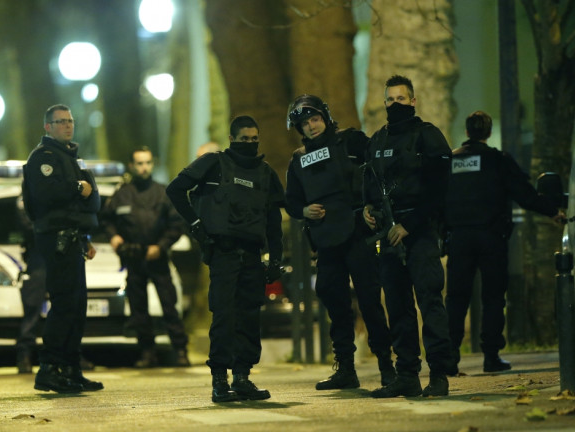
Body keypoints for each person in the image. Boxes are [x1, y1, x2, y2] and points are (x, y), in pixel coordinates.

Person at [166, 116, 284, 403]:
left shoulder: (265, 173)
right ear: (232, 139)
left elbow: (273, 219)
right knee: (224, 315)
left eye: (254, 139)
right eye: (245, 139)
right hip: (224, 252)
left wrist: (275, 259)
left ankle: (242, 378)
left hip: (253, 255)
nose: (250, 144)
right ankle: (220, 380)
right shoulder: (213, 163)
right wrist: (196, 225)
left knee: (248, 316)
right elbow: (176, 189)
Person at [284, 94, 395, 390]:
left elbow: (381, 172)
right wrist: (305, 211)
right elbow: (292, 202)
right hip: (326, 240)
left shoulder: (352, 141)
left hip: (358, 233)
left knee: (370, 302)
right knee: (334, 301)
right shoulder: (298, 159)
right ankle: (346, 368)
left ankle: (388, 368)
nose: (311, 126)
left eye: (315, 119)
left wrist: (374, 207)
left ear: (325, 117)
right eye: (305, 124)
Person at [445, 110, 565, 373]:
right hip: (491, 238)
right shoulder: (497, 160)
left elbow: (436, 199)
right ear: (487, 133)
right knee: (493, 298)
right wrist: (553, 211)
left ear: (467, 132)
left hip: (459, 238)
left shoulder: (450, 161)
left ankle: (450, 357)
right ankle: (491, 357)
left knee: (456, 298)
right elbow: (525, 194)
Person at [363, 75, 456, 398]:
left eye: (400, 99)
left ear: (413, 101)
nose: (394, 105)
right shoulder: (377, 140)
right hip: (388, 235)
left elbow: (440, 189)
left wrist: (410, 225)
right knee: (398, 307)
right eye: (389, 100)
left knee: (430, 302)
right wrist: (368, 211)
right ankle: (406, 374)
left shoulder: (428, 137)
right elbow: (369, 186)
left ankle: (440, 375)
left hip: (420, 234)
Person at [22, 104, 103, 393]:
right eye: (60, 121)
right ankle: (49, 369)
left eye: (70, 120)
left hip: (73, 238)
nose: (67, 125)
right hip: (55, 239)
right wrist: (76, 188)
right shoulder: (42, 157)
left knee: (77, 305)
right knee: (65, 303)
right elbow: (48, 195)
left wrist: (85, 237)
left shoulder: (72, 158)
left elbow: (93, 199)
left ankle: (70, 368)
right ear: (47, 127)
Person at [102, 146, 191, 368]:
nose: (144, 168)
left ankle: (180, 351)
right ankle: (147, 353)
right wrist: (114, 237)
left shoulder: (163, 192)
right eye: (140, 163)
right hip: (133, 257)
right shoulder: (122, 194)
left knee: (169, 305)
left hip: (157, 257)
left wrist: (161, 246)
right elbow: (106, 219)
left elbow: (176, 224)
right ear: (132, 166)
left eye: (148, 163)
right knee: (138, 309)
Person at [15, 195, 47, 374]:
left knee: (67, 310)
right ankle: (25, 355)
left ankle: (71, 355)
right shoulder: (26, 198)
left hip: (59, 256)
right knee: (32, 308)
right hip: (38, 259)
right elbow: (29, 227)